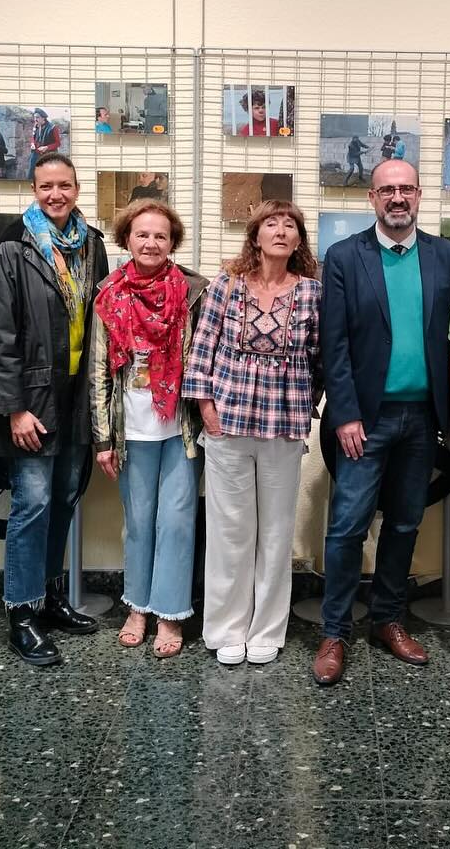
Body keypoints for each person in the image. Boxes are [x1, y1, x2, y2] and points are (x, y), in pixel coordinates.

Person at [313, 160, 450, 686]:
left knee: (404, 523)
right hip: (365, 420)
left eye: (406, 189)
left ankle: (388, 619)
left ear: (418, 195)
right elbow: (333, 343)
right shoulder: (343, 256)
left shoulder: (447, 256)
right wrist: (345, 413)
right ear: (372, 198)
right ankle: (335, 632)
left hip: (424, 419)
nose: (397, 198)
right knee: (348, 527)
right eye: (387, 190)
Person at [0, 153, 109, 667]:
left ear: (77, 189)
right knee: (32, 504)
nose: (56, 194)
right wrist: (13, 409)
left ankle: (51, 598)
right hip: (32, 400)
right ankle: (21, 614)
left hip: (77, 397)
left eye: (64, 185)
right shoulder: (13, 244)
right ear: (33, 190)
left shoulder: (93, 243)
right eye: (45, 186)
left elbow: (103, 319)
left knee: (63, 500)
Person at [184, 201, 322, 666]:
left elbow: (319, 359)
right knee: (230, 531)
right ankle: (227, 629)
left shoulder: (312, 293)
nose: (280, 231)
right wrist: (206, 408)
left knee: (277, 533)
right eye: (271, 223)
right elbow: (202, 350)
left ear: (299, 240)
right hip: (227, 423)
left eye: (290, 225)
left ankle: (266, 629)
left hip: (283, 427)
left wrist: (302, 404)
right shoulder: (227, 284)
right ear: (255, 235)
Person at [90, 199, 208, 659]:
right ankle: (137, 607)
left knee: (176, 524)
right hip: (131, 430)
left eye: (161, 235)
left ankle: (170, 614)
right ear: (127, 239)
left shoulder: (194, 291)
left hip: (181, 429)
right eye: (142, 234)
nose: (151, 243)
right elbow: (99, 372)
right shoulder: (107, 293)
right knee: (138, 523)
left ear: (172, 242)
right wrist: (103, 438)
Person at [26, 108, 62, 181]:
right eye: (34, 117)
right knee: (31, 173)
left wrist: (47, 147)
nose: (35, 119)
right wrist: (32, 144)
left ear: (43, 118)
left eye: (37, 117)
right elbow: (33, 138)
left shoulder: (53, 128)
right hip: (36, 153)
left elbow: (58, 143)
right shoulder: (36, 126)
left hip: (48, 155)